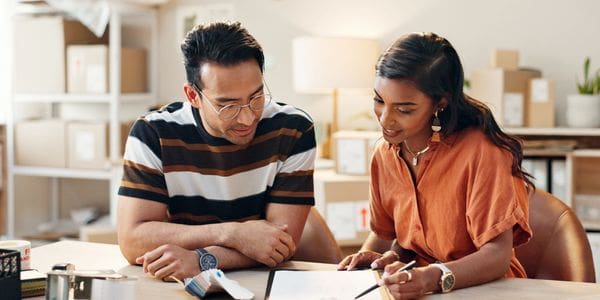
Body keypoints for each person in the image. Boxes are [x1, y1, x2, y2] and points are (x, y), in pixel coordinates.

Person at [337, 32, 533, 299]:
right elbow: (386, 236)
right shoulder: (384, 154)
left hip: (488, 290)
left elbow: (497, 256)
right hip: (419, 289)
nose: (385, 119)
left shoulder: (483, 152)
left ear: (440, 103)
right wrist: (376, 259)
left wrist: (433, 277)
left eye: (404, 109)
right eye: (379, 100)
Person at [117, 22, 316, 280]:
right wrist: (232, 233)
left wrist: (202, 259)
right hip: (176, 283)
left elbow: (279, 245)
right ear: (193, 95)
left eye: (256, 97)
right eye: (227, 105)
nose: (247, 118)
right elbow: (133, 241)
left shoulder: (293, 129)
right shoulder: (153, 134)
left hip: (259, 279)